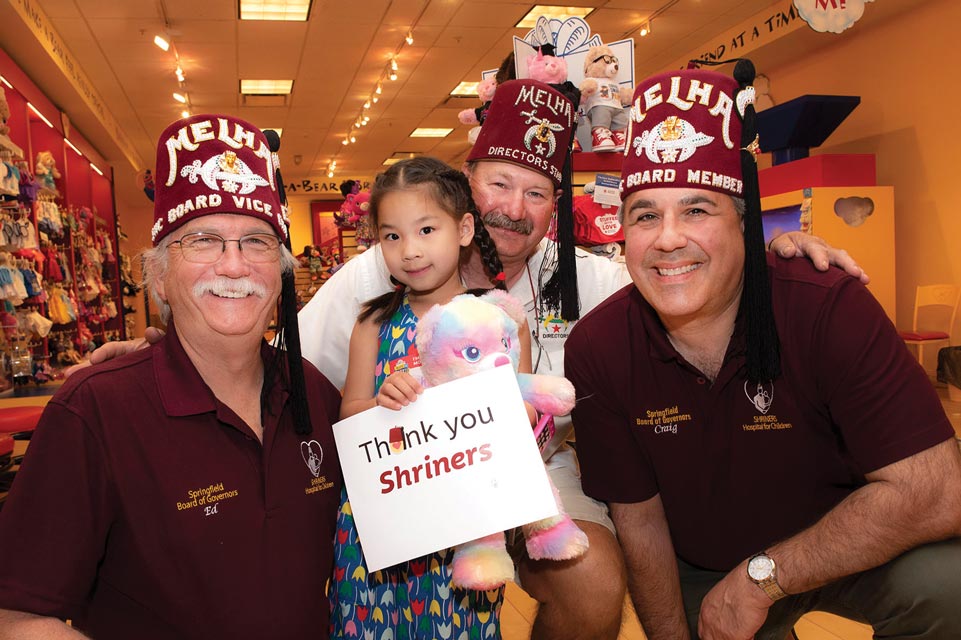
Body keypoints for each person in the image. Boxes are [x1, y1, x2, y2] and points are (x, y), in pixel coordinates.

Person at [82, 81, 866, 639]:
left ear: (553, 205)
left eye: (535, 191)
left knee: (592, 581)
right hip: (409, 468)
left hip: (543, 472)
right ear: (466, 191)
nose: (513, 207)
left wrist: (780, 255)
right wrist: (171, 338)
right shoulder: (379, 279)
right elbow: (267, 340)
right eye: (499, 182)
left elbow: (695, 273)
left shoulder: (594, 274)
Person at [565, 60, 961, 640]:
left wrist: (761, 580)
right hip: (704, 565)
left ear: (745, 226)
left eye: (697, 209)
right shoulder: (600, 346)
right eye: (645, 215)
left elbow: (938, 490)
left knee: (950, 585)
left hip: (848, 545)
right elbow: (640, 521)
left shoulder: (825, 304)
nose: (668, 237)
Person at [0, 114, 343, 639]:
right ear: (157, 274)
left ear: (282, 272)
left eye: (256, 242)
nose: (234, 266)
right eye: (203, 240)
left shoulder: (314, 394)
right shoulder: (95, 412)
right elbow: (18, 614)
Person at [331, 156, 519, 638]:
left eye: (426, 229)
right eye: (392, 236)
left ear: (463, 229)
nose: (409, 250)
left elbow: (521, 419)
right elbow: (349, 414)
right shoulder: (373, 323)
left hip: (465, 528)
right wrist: (381, 402)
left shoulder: (499, 321)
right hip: (381, 527)